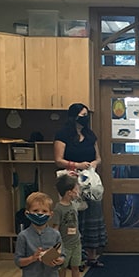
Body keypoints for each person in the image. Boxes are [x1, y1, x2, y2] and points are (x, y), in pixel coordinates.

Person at [54, 102, 107, 267]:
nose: (85, 119)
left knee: (93, 215)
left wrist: (93, 164)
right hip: (71, 180)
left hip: (89, 180)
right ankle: (74, 256)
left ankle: (92, 256)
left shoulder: (90, 135)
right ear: (74, 117)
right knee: (73, 217)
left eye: (86, 115)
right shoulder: (63, 135)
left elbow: (98, 157)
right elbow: (58, 160)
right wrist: (77, 165)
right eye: (82, 116)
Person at [52, 173, 83, 277]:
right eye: (76, 189)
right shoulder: (58, 208)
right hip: (64, 243)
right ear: (69, 192)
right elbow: (55, 228)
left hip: (76, 242)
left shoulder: (74, 205)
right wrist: (56, 245)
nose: (77, 192)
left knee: (76, 265)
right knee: (62, 267)